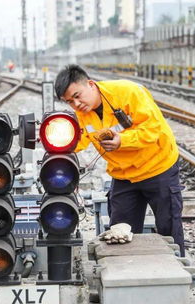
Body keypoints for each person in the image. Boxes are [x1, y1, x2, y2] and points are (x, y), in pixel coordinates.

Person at [54, 64, 185, 256]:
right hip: (124, 176)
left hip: (158, 168)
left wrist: (123, 140)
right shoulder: (82, 115)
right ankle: (127, 276)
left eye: (77, 95)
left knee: (169, 227)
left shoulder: (128, 92)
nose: (76, 104)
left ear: (91, 84)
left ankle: (177, 274)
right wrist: (56, 144)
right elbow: (78, 140)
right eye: (70, 102)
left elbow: (153, 128)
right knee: (120, 232)